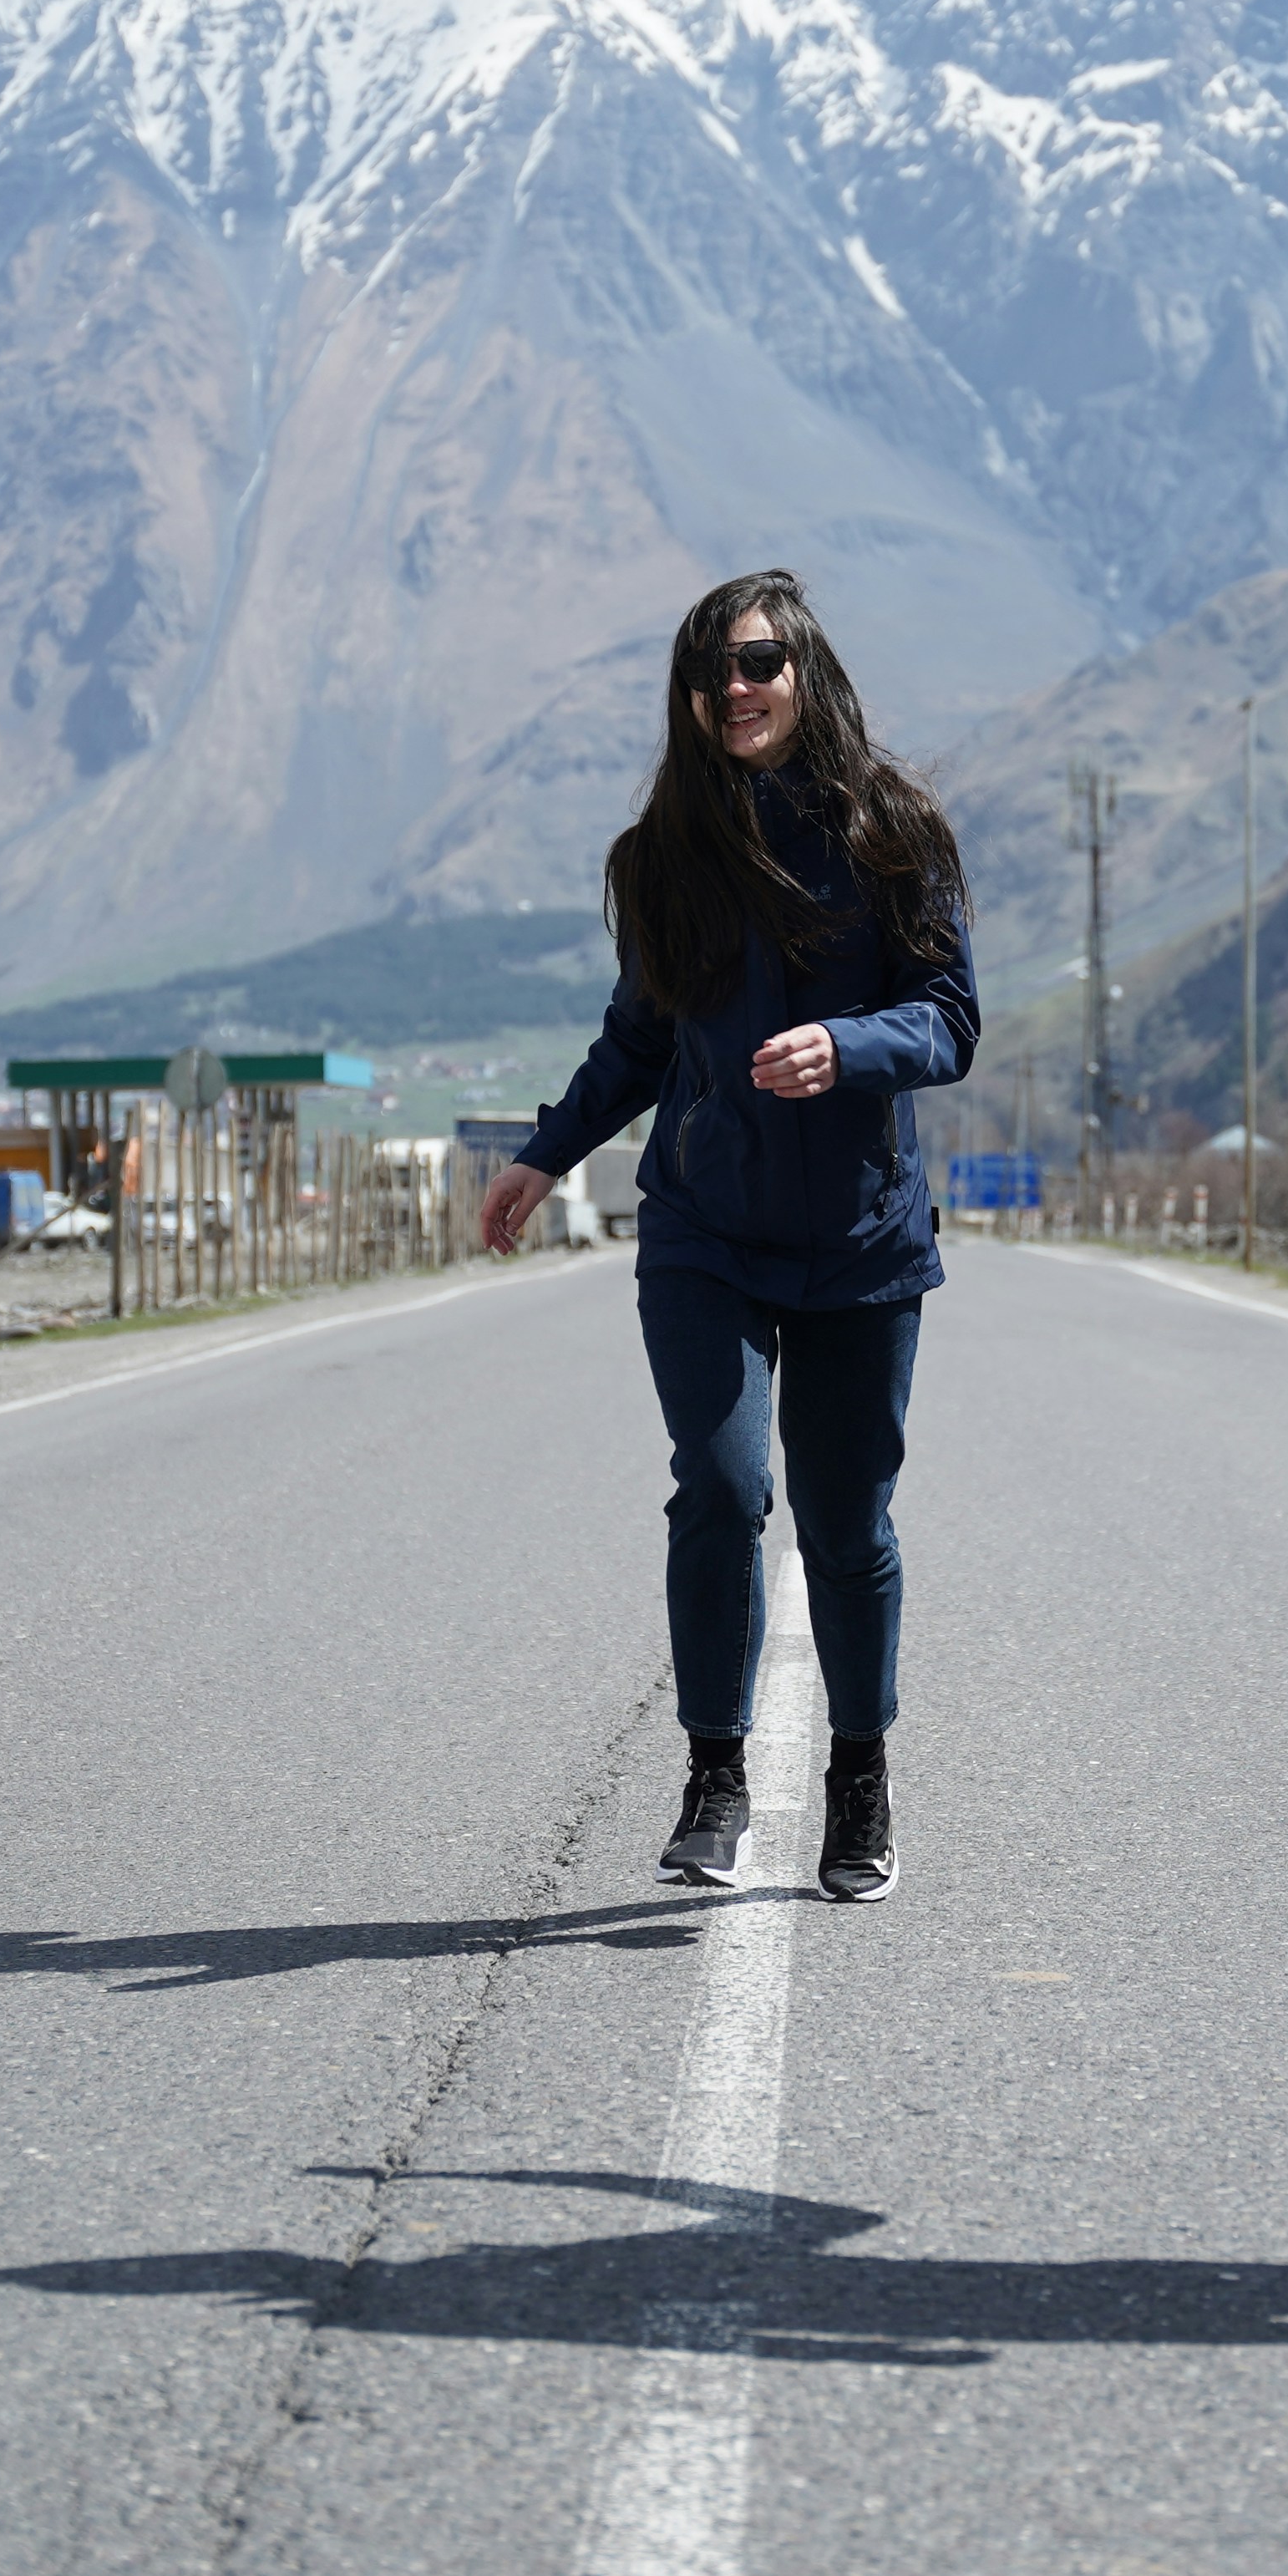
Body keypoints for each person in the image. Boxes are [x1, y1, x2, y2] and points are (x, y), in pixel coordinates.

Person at [480, 571, 979, 1903]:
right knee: (718, 1486)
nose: (735, 691)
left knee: (845, 1516)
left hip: (864, 1241)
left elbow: (950, 1018)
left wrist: (853, 1045)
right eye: (709, 675)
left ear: (804, 669)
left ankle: (860, 1780)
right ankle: (715, 1777)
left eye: (758, 663)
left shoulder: (895, 830)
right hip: (704, 1229)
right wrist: (545, 1152)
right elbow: (643, 1039)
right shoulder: (664, 858)